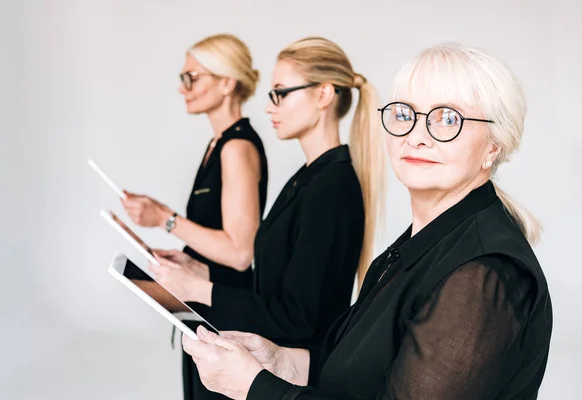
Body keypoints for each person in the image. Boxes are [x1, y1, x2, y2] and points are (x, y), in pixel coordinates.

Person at [181, 43, 554, 400]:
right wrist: (279, 361)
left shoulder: (482, 275)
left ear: (494, 145)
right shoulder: (419, 245)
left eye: (447, 119)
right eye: (406, 114)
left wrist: (254, 388)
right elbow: (360, 371)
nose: (417, 136)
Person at [150, 37, 385, 398]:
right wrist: (202, 273)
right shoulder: (308, 177)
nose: (270, 106)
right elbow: (278, 284)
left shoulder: (332, 187)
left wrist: (201, 290)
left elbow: (297, 318)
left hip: (288, 381)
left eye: (280, 93)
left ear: (323, 95)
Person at [119, 34, 268, 400]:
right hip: (204, 313)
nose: (183, 88)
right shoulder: (218, 144)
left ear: (227, 82)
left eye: (192, 77)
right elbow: (219, 238)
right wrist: (186, 256)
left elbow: (239, 253)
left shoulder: (237, 147)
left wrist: (164, 218)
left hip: (225, 317)